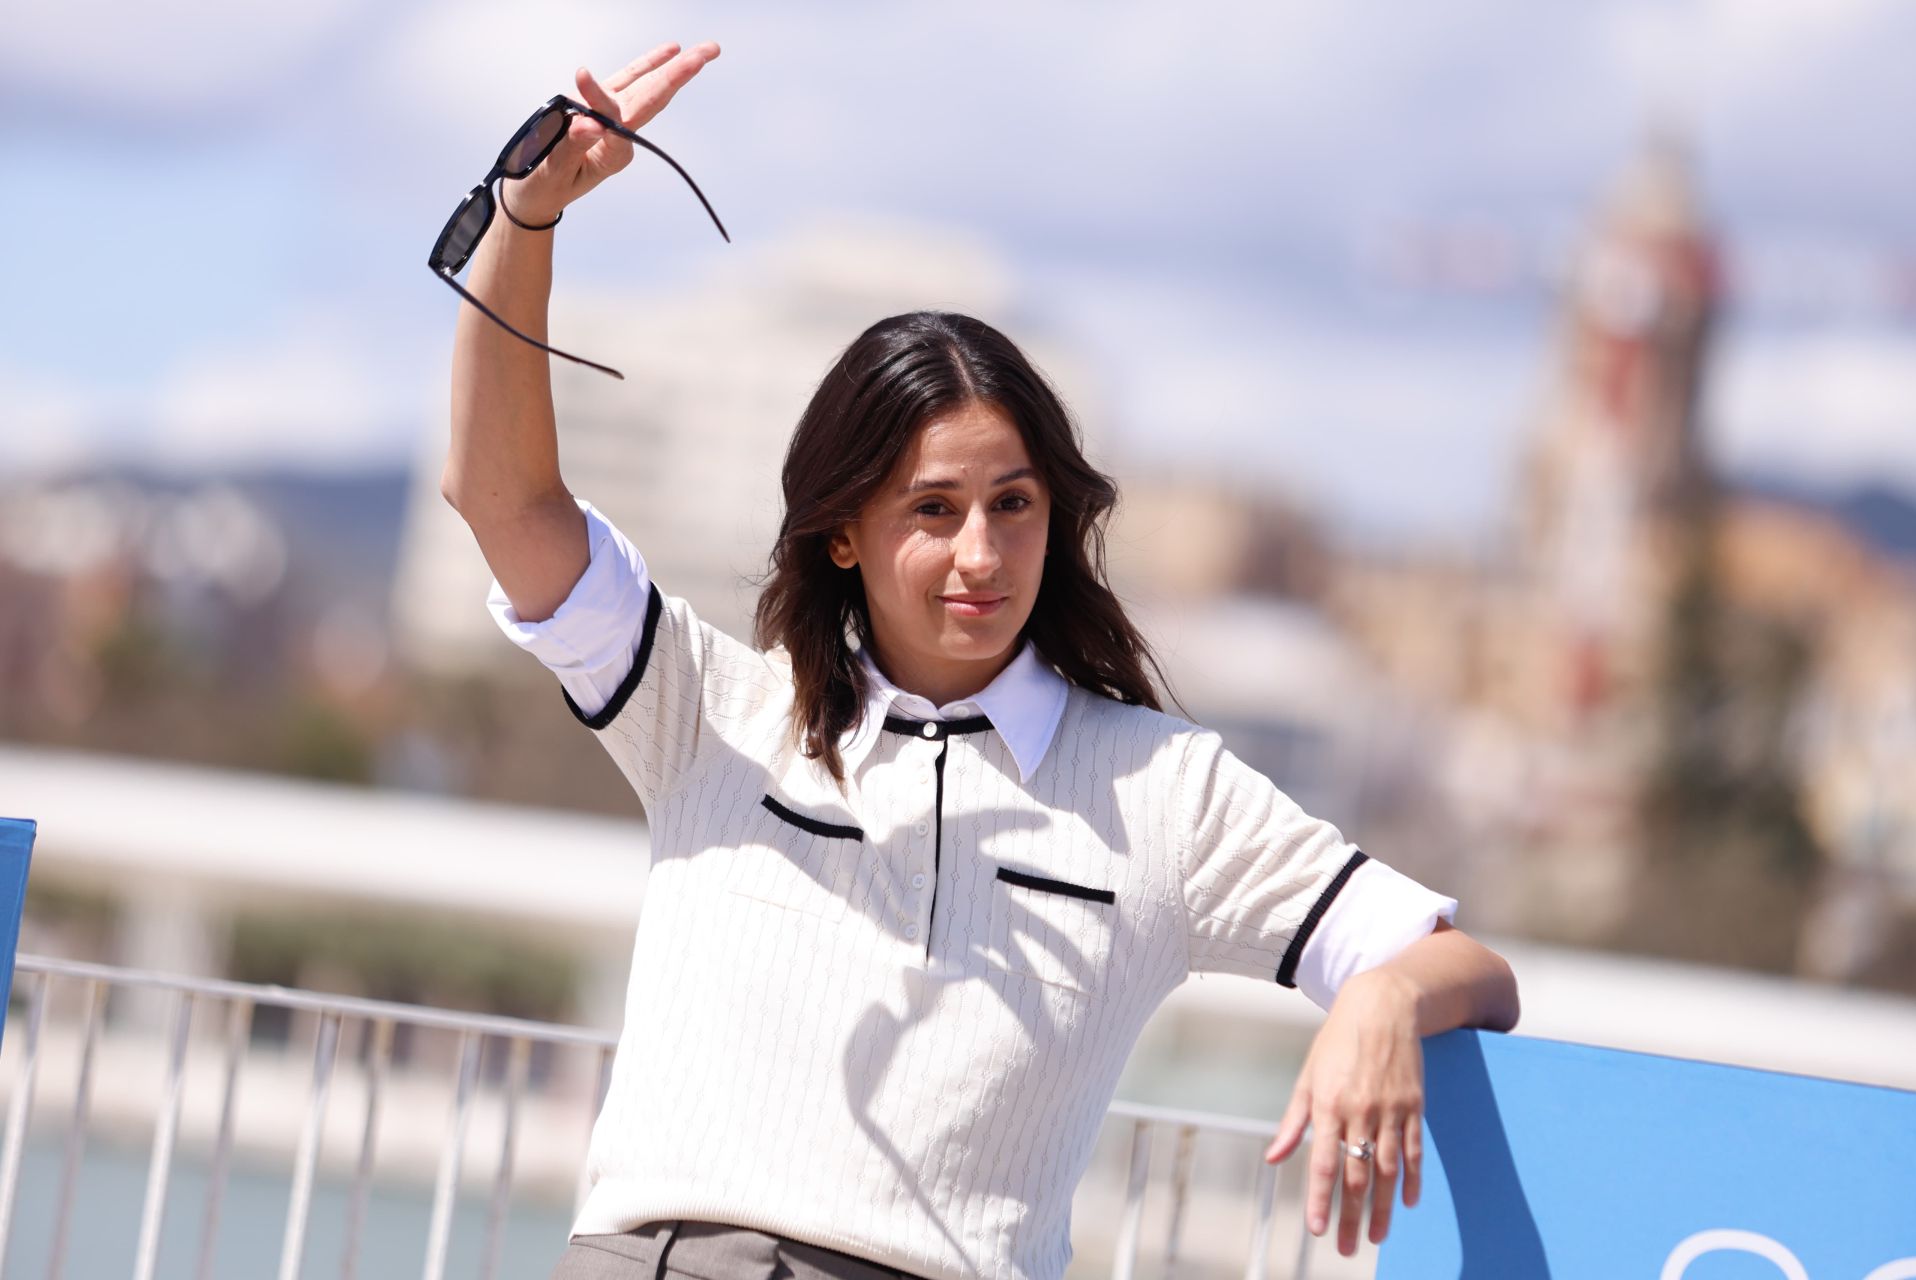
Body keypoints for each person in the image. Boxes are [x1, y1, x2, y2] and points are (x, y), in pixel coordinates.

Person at [441, 40, 1521, 1280]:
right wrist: (525, 219)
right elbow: (501, 496)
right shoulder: (709, 707)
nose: (981, 551)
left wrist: (1382, 999)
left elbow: (1470, 969)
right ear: (842, 530)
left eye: (1014, 503)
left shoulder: (1160, 789)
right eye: (934, 509)